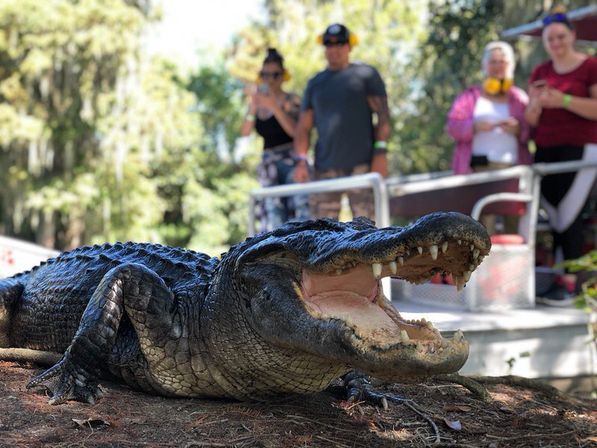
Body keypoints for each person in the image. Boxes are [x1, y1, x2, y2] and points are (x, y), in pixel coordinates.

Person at [524, 7, 597, 305]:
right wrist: (537, 105)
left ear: (573, 36)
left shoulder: (590, 67)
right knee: (554, 216)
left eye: (560, 37)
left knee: (570, 214)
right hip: (545, 151)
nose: (556, 43)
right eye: (550, 38)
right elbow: (530, 119)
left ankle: (569, 284)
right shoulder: (540, 72)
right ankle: (559, 279)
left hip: (581, 151)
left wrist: (564, 100)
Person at [293, 23, 390, 221]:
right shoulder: (315, 83)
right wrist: (301, 162)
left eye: (340, 43)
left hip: (363, 168)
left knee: (370, 234)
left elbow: (383, 116)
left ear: (349, 46)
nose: (334, 48)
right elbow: (303, 128)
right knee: (320, 234)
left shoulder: (366, 74)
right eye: (329, 44)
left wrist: (380, 153)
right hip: (324, 169)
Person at [446, 41, 532, 234]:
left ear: (511, 65)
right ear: (484, 66)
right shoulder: (470, 97)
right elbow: (452, 127)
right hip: (478, 171)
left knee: (515, 227)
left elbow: (532, 131)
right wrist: (473, 126)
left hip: (513, 171)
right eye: (493, 61)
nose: (498, 66)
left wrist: (519, 130)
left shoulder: (518, 97)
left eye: (503, 61)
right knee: (482, 227)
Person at [241, 48, 310, 231]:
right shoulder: (257, 102)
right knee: (273, 216)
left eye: (275, 75)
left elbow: (297, 132)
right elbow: (245, 132)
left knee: (300, 214)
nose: (270, 80)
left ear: (282, 76)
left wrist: (275, 107)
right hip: (269, 163)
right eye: (265, 75)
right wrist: (254, 107)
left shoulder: (291, 100)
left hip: (292, 159)